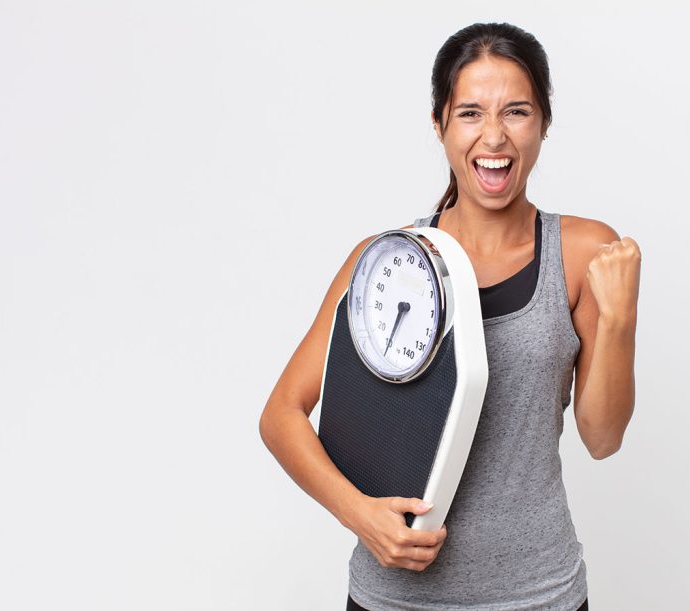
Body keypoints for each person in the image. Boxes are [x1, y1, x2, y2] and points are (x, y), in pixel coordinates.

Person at [259, 22, 640, 611]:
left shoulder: (585, 253)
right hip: (394, 599)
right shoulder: (384, 263)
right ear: (439, 125)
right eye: (470, 113)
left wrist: (618, 320)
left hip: (540, 595)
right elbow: (281, 414)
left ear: (543, 123)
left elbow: (602, 436)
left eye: (516, 111)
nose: (494, 136)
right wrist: (360, 515)